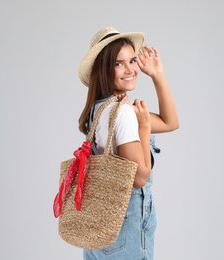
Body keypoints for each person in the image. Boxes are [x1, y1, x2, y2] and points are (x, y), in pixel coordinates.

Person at [78, 27, 179, 260]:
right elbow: (139, 178)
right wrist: (144, 128)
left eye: (132, 60)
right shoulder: (122, 114)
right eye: (118, 64)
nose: (130, 69)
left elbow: (170, 122)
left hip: (99, 227)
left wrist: (156, 74)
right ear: (104, 69)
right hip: (125, 228)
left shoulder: (98, 109)